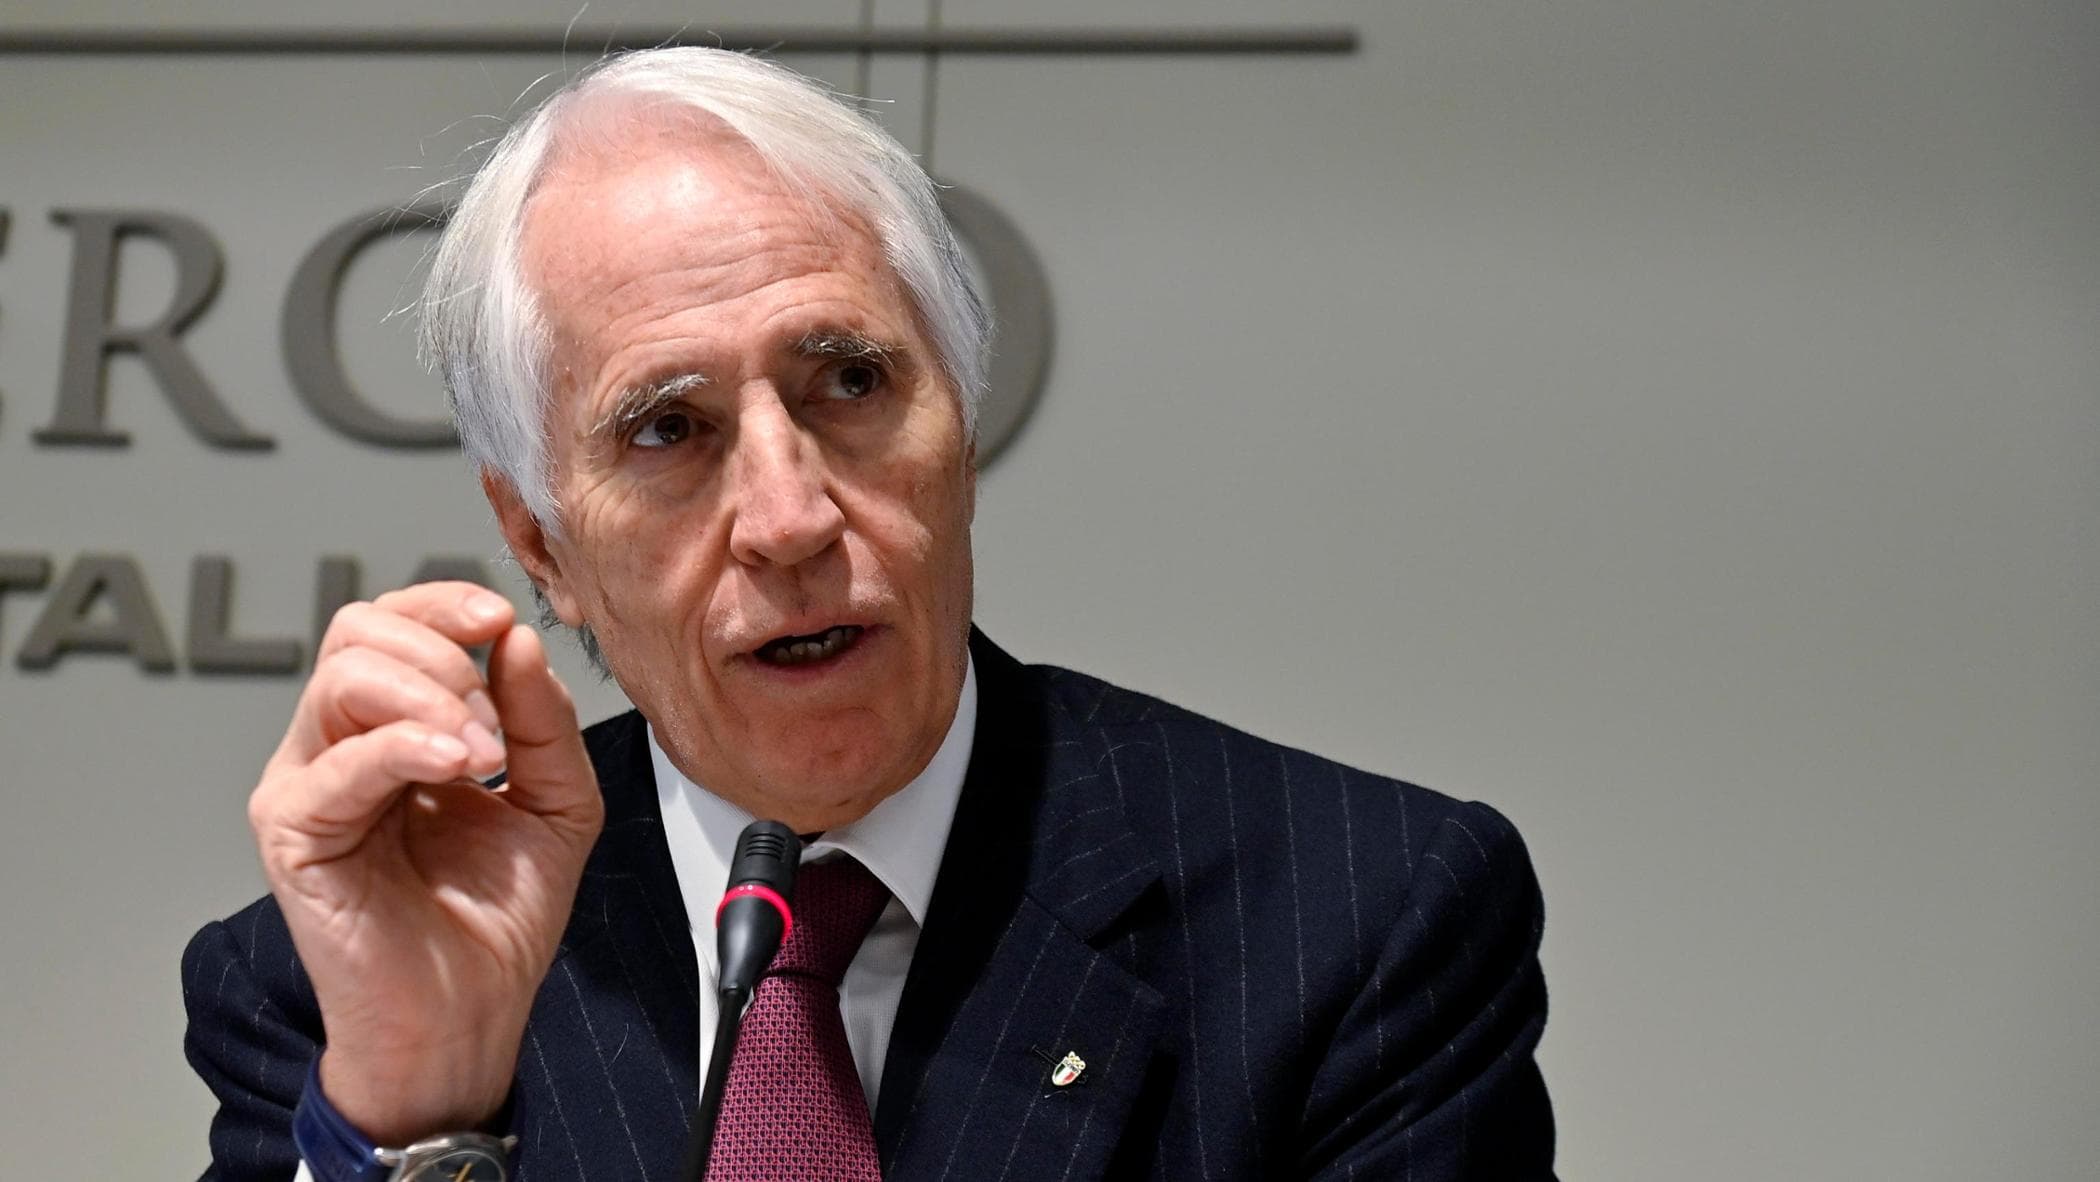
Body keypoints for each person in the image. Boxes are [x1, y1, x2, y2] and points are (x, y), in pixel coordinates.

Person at [183, 47, 1555, 1181]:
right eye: (668, 428)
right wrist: (420, 1108)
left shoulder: (1362, 921)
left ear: (961, 436)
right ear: (543, 541)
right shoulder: (337, 987)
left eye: (848, 382)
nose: (789, 517)